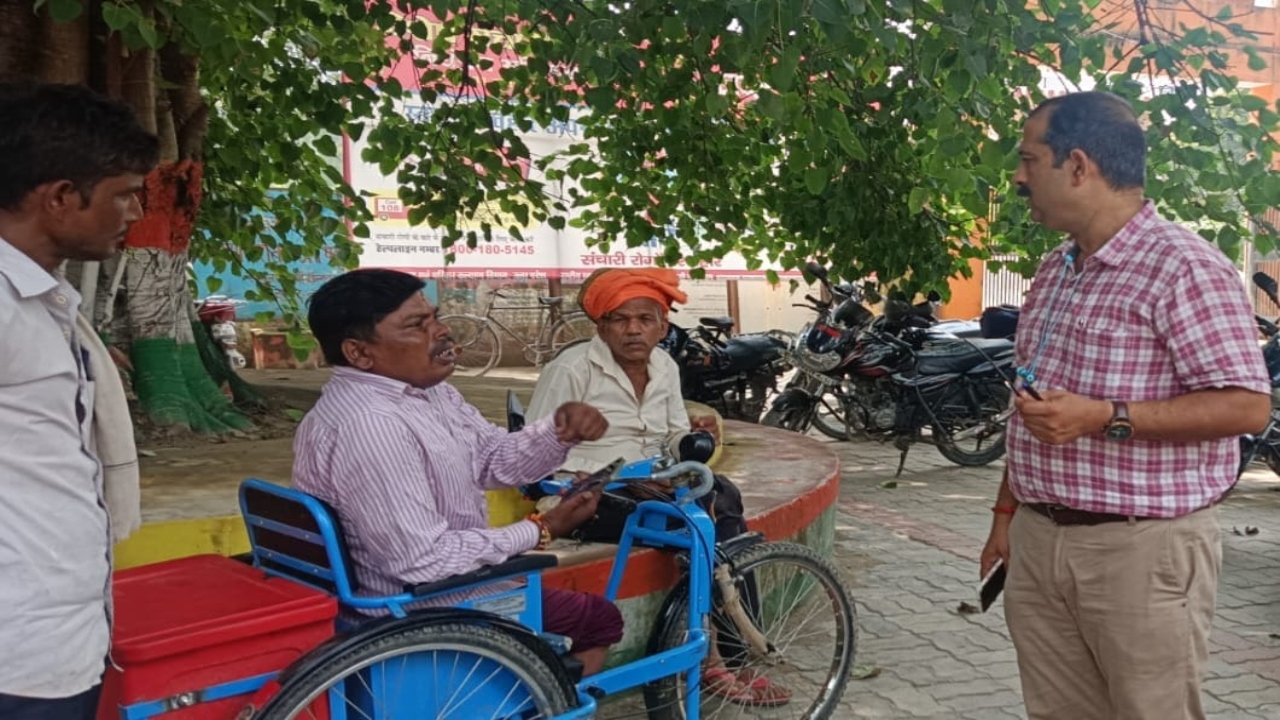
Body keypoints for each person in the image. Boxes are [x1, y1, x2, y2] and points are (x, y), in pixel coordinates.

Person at [980, 91, 1271, 720]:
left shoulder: (1184, 268)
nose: (1019, 176)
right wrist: (1006, 517)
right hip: (1038, 539)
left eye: (1031, 159)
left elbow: (1248, 408)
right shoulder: (1056, 269)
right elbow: (1031, 402)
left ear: (1078, 166)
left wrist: (1103, 416)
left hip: (1142, 551)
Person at [294, 268, 623, 675]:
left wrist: (558, 433)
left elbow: (494, 460)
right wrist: (540, 529)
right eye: (417, 325)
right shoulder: (371, 423)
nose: (442, 332)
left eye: (434, 317)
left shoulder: (429, 394)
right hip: (420, 605)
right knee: (599, 618)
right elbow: (421, 560)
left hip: (438, 586)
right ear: (360, 353)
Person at [528, 267, 789, 706]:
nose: (633, 329)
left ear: (662, 327)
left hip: (651, 483)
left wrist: (685, 436)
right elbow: (535, 449)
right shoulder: (572, 369)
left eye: (645, 319)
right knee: (701, 527)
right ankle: (720, 663)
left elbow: (666, 437)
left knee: (723, 499)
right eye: (621, 319)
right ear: (601, 326)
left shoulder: (664, 365)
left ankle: (729, 655)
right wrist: (614, 475)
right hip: (584, 493)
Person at [0, 82, 157, 720]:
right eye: (122, 194)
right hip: (17, 654)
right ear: (61, 197)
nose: (134, 213)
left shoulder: (44, 298)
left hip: (55, 637)